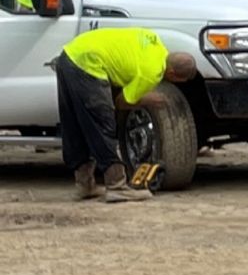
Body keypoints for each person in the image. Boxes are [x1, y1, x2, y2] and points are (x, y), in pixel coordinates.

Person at [53, 26, 197, 204]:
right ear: (173, 75)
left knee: (76, 124)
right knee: (104, 124)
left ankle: (85, 185)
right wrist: (147, 100)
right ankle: (117, 187)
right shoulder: (151, 73)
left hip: (69, 56)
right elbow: (121, 102)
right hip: (87, 65)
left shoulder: (154, 41)